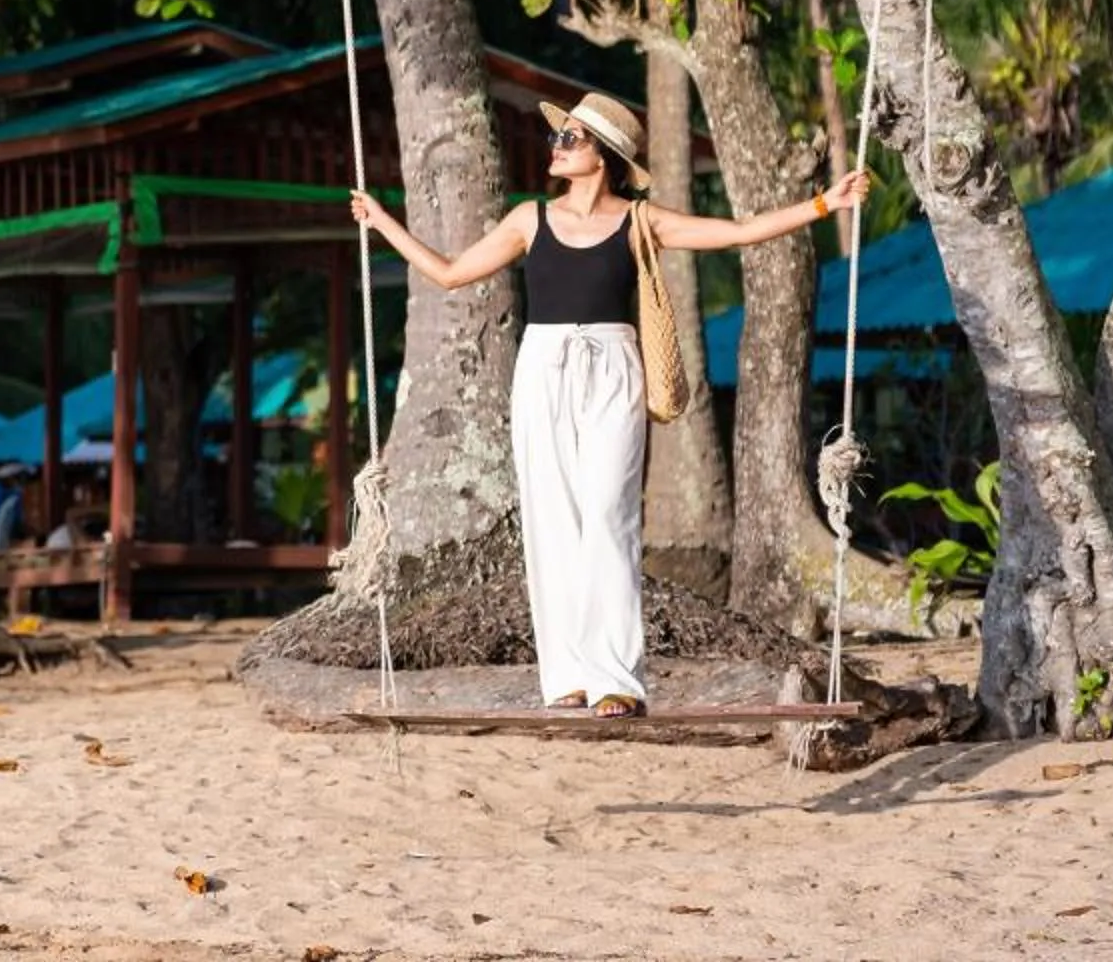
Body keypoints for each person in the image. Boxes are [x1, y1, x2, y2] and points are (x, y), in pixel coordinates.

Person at [351, 91, 870, 717]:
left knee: (608, 515)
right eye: (558, 139)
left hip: (613, 368)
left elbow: (737, 233)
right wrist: (382, 223)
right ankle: (566, 675)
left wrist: (824, 203)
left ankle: (616, 678)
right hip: (542, 369)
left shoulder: (640, 221)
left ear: (604, 155)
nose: (557, 148)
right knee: (554, 520)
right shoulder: (528, 220)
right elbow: (452, 273)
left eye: (570, 140)